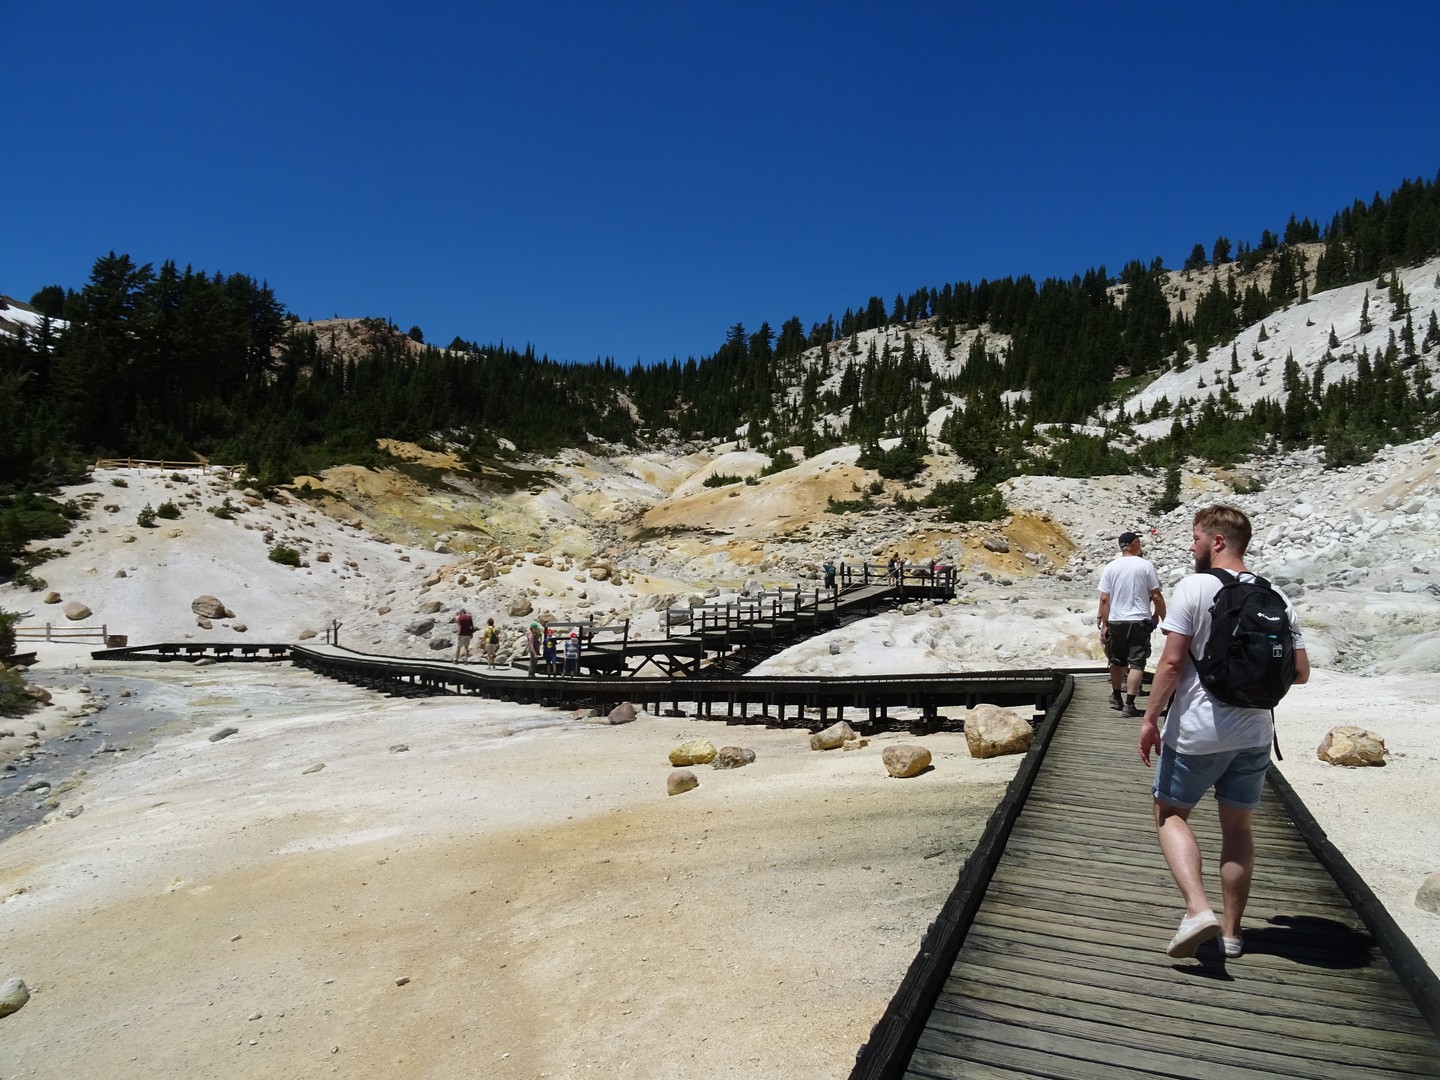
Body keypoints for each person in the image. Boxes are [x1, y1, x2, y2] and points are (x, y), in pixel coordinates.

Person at [1138, 505, 1309, 960]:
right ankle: (1232, 934)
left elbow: (1172, 663)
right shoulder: (1277, 596)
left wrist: (1151, 718)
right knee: (1238, 830)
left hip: (1197, 731)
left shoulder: (1194, 586)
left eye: (1195, 539)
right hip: (1254, 733)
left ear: (1215, 541)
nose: (1191, 547)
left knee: (1170, 814)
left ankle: (1197, 909)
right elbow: (1301, 672)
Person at [1097, 530, 1166, 717]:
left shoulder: (1111, 567)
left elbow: (1104, 599)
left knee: (1117, 661)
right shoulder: (1145, 565)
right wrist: (1162, 617)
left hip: (1117, 620)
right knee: (1136, 663)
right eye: (1139, 543)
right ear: (1134, 543)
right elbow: (1156, 595)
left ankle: (1117, 696)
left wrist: (1104, 624)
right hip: (1139, 620)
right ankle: (1130, 704)